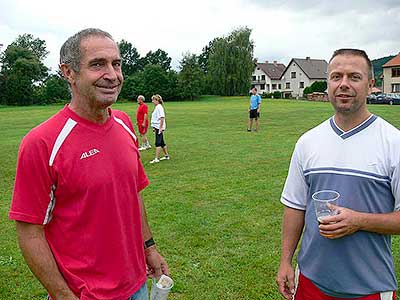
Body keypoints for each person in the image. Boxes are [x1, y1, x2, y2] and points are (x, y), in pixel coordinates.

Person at [9, 28, 169, 300]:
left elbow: (134, 194)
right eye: (98, 64)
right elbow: (29, 232)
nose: (112, 75)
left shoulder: (124, 124)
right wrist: (62, 295)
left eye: (116, 64)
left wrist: (149, 247)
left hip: (138, 285)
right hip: (85, 295)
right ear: (68, 72)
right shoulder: (42, 143)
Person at [276, 49, 400, 300]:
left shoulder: (393, 143)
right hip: (310, 282)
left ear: (370, 85)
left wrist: (359, 221)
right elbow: (295, 207)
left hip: (369, 288)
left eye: (354, 77)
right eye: (336, 77)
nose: (343, 84)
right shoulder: (307, 142)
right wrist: (286, 261)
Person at [149, 94, 170, 164]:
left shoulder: (159, 107)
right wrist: (154, 127)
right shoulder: (157, 107)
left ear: (157, 100)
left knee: (158, 143)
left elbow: (162, 117)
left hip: (159, 128)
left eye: (153, 100)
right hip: (157, 127)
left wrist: (160, 128)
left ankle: (156, 158)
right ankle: (166, 156)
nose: (152, 102)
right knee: (162, 142)